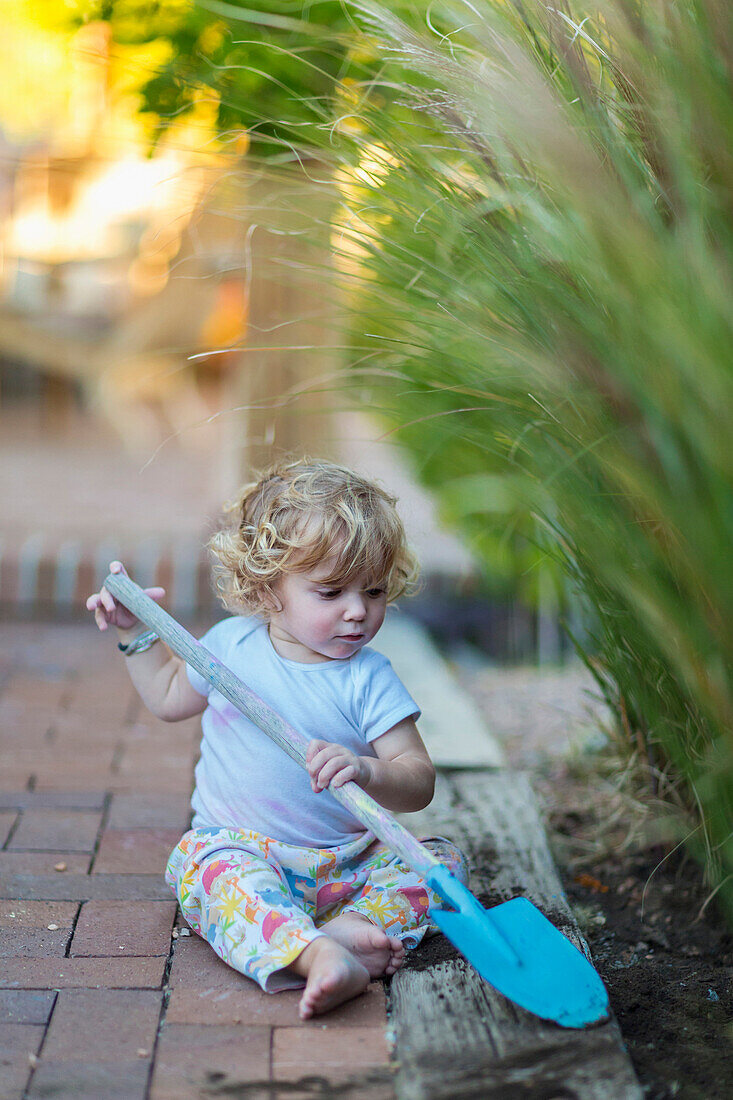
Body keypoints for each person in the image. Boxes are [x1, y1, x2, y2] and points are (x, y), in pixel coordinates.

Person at [86, 459, 467, 1019]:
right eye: (331, 591)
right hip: (246, 850)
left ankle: (348, 931)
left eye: (375, 590)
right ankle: (314, 955)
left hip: (347, 865)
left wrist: (368, 769)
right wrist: (135, 631)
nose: (358, 611)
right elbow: (169, 697)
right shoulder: (231, 647)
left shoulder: (370, 677)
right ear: (268, 591)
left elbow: (418, 782)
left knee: (441, 861)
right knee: (208, 868)